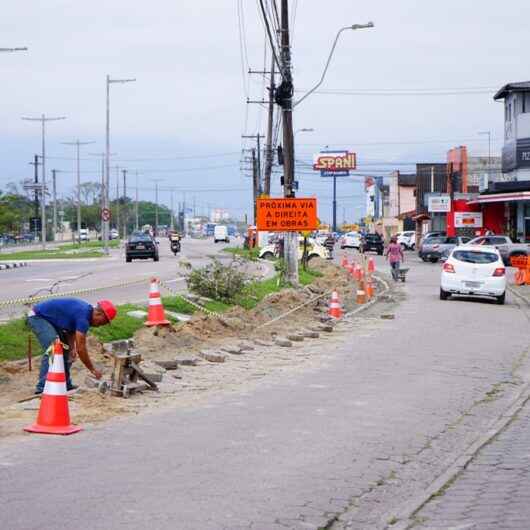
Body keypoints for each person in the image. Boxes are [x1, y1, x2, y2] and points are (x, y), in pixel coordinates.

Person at [27, 298, 117, 394]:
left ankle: (65, 384)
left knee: (65, 349)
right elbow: (81, 348)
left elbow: (71, 330)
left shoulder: (85, 313)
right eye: (102, 322)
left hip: (52, 321)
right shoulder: (83, 317)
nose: (100, 325)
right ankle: (42, 387)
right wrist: (92, 369)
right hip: (38, 317)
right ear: (99, 314)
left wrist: (71, 348)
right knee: (53, 348)